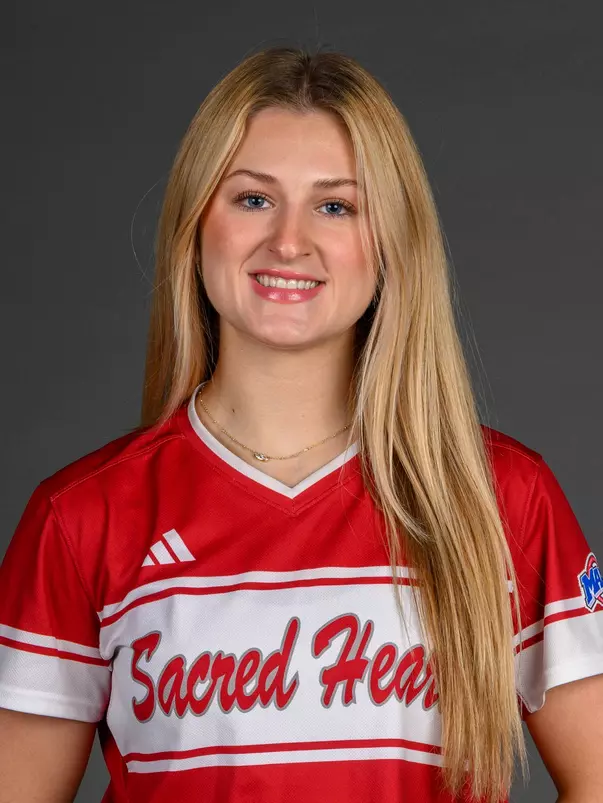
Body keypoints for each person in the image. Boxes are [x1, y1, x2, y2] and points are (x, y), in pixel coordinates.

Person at [0, 46, 601, 803]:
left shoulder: (501, 497)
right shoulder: (82, 515)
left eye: (335, 205)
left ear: (390, 242)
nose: (288, 242)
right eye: (252, 199)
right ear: (194, 223)